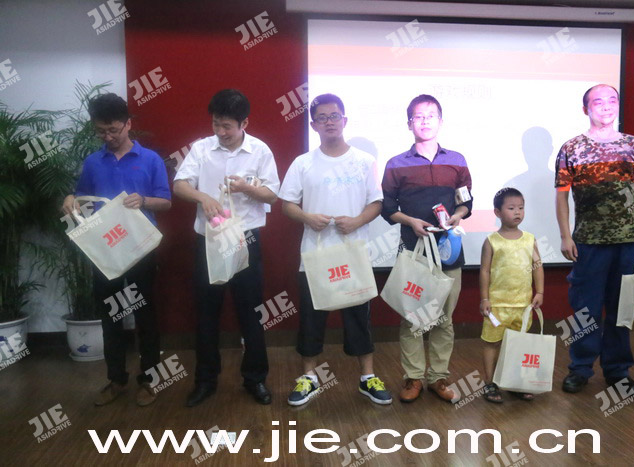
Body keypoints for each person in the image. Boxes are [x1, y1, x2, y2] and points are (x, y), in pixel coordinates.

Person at [279, 93, 392, 407]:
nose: (329, 122)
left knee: (359, 318)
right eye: (322, 117)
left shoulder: (364, 161)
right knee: (311, 319)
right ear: (313, 125)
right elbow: (287, 204)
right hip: (315, 256)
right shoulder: (303, 163)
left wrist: (356, 221)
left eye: (334, 116)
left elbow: (376, 203)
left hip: (354, 253)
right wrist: (306, 217)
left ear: (345, 120)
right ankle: (309, 377)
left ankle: (368, 377)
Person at [61, 93, 172, 407]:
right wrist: (70, 200)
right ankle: (116, 379)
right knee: (110, 314)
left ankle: (149, 379)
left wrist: (144, 200)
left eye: (113, 130)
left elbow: (166, 201)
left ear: (128, 124)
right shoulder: (93, 162)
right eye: (101, 131)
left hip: (139, 247)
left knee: (145, 314)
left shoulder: (149, 159)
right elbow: (82, 198)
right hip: (105, 249)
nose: (107, 137)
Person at [555, 84, 634, 396]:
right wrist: (565, 235)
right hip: (588, 242)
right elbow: (561, 196)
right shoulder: (572, 148)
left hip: (627, 241)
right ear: (586, 109)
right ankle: (580, 369)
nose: (606, 106)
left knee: (622, 309)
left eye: (612, 100)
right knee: (585, 308)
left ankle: (618, 371)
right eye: (598, 101)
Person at [173, 89, 280, 407]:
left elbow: (273, 194)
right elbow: (179, 185)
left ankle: (255, 379)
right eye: (216, 124)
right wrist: (202, 196)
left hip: (246, 239)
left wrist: (248, 188)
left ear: (244, 123)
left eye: (227, 126)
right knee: (207, 313)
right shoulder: (201, 148)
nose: (220, 132)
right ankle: (205, 381)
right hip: (210, 240)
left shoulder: (259, 150)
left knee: (251, 313)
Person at [381, 94, 472, 403]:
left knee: (445, 318)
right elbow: (387, 208)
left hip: (449, 250)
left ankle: (438, 377)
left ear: (440, 121)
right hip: (414, 250)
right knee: (413, 318)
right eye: (418, 116)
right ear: (409, 123)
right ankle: (413, 377)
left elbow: (466, 201)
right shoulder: (396, 164)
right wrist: (410, 221)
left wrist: (458, 216)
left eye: (431, 115)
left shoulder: (457, 160)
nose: (425, 121)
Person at [479, 187, 544, 403]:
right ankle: (490, 383)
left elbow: (537, 266)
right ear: (497, 212)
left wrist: (540, 291)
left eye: (521, 208)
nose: (517, 212)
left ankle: (515, 382)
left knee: (519, 345)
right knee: (492, 343)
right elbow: (485, 271)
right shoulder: (492, 241)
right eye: (511, 208)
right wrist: (485, 298)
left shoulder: (530, 239)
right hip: (497, 306)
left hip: (522, 305)